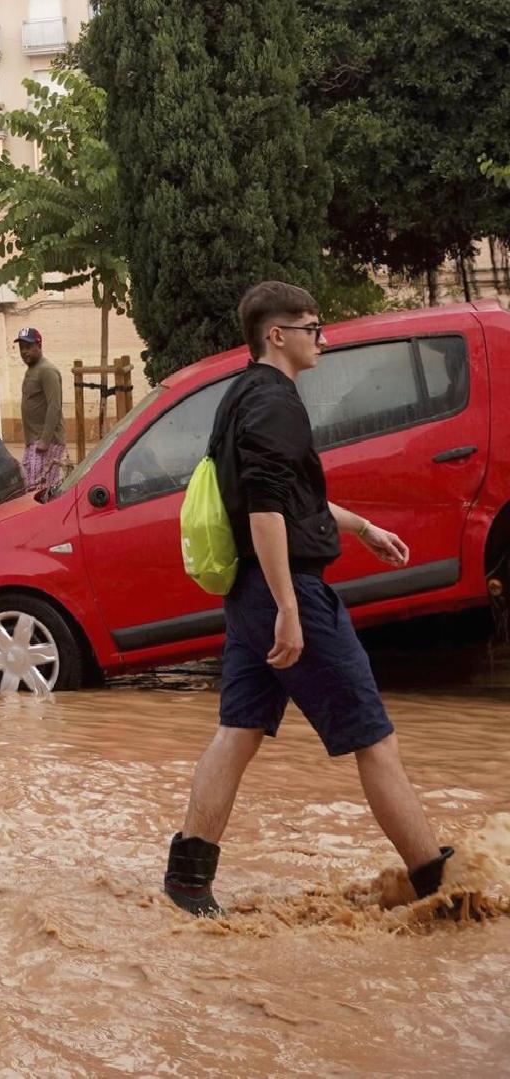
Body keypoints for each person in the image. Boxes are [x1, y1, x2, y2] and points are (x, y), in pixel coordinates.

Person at [162, 281, 455, 917]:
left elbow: (287, 497)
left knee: (236, 732)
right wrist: (290, 608)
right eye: (312, 327)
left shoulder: (239, 395)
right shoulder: (275, 403)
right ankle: (438, 886)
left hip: (248, 593)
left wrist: (362, 528)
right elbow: (266, 509)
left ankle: (187, 880)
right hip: (284, 588)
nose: (322, 339)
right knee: (374, 738)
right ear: (277, 335)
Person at [16, 327, 66, 494]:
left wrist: (45, 440)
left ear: (39, 345)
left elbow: (55, 406)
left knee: (40, 490)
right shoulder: (32, 369)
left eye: (28, 347)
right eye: (22, 347)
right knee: (32, 487)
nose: (24, 352)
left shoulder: (47, 370)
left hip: (46, 441)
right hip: (34, 440)